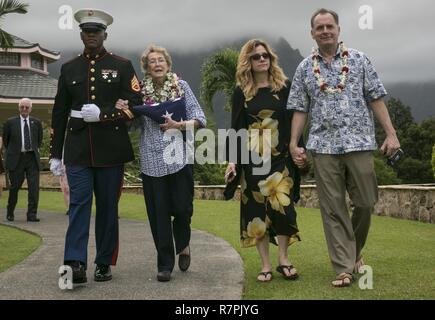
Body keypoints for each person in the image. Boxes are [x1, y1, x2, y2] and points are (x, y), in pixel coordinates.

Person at [287, 8, 401, 287]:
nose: (325, 31)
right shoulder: (304, 67)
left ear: (338, 30)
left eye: (330, 26)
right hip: (323, 146)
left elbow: (376, 98)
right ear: (312, 33)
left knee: (366, 202)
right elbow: (300, 109)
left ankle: (353, 251)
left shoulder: (359, 60)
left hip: (359, 142)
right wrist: (293, 143)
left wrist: (391, 134)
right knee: (333, 208)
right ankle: (344, 268)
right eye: (319, 28)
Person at [49, 8, 142, 285]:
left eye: (96, 32)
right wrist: (56, 153)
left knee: (107, 208)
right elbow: (59, 112)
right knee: (78, 205)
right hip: (77, 147)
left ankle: (103, 262)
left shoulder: (123, 65)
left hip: (110, 147)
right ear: (80, 34)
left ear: (105, 34)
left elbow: (136, 105)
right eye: (87, 32)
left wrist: (103, 114)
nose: (91, 36)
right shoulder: (69, 68)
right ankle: (75, 263)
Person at [116, 45, 206, 282]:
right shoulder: (140, 91)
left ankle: (183, 244)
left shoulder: (181, 86)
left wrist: (179, 125)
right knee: (159, 214)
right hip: (152, 159)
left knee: (183, 208)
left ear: (168, 64)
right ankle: (164, 264)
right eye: (152, 61)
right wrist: (124, 110)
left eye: (161, 60)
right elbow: (133, 124)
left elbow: (200, 118)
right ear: (146, 67)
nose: (157, 64)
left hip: (179, 156)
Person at [224, 39, 306, 282]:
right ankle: (266, 265)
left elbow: (294, 122)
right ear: (247, 62)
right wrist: (232, 161)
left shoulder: (284, 87)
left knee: (284, 210)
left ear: (271, 59)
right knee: (256, 212)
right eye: (256, 56)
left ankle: (283, 259)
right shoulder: (242, 92)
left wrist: (297, 148)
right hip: (252, 162)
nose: (262, 59)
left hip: (280, 160)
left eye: (265, 56)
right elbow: (236, 128)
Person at [2, 98, 43, 222]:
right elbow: (6, 141)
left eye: (26, 107)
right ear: (18, 108)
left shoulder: (36, 122)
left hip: (32, 159)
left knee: (34, 188)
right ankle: (10, 212)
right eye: (22, 107)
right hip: (17, 159)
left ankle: (32, 215)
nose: (24, 109)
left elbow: (39, 141)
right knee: (14, 187)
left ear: (30, 108)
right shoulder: (10, 122)